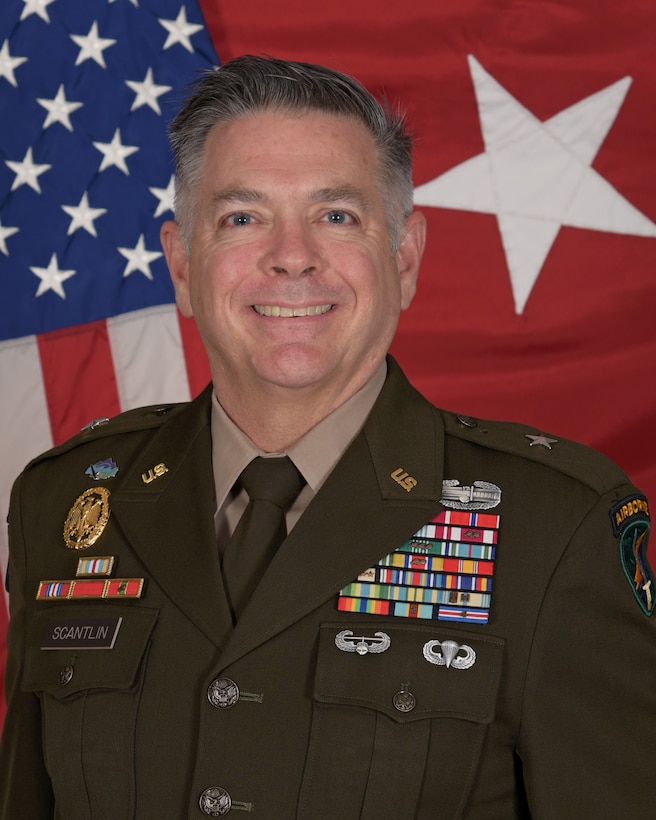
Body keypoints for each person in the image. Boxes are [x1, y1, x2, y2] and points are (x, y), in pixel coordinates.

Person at [1, 55, 655, 819]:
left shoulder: (555, 526)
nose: (292, 255)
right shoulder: (68, 502)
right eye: (242, 217)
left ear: (403, 259)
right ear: (181, 265)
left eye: (336, 215)